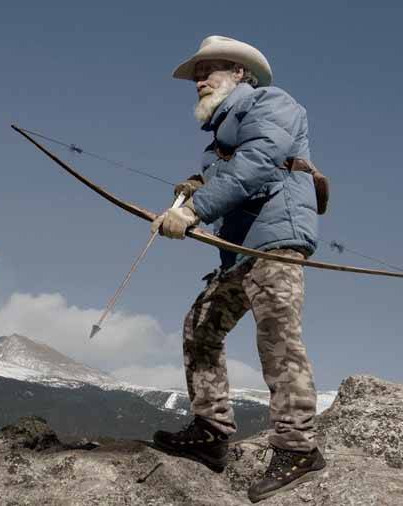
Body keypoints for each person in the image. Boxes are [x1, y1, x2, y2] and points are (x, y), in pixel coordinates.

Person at [149, 35, 327, 503]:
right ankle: (211, 433)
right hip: (241, 252)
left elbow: (260, 165)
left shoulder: (272, 103)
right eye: (197, 76)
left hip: (276, 246)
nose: (200, 82)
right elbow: (231, 175)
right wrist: (194, 188)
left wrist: (193, 210)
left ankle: (298, 448)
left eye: (211, 71)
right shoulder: (221, 133)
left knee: (277, 340)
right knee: (200, 326)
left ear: (241, 74)